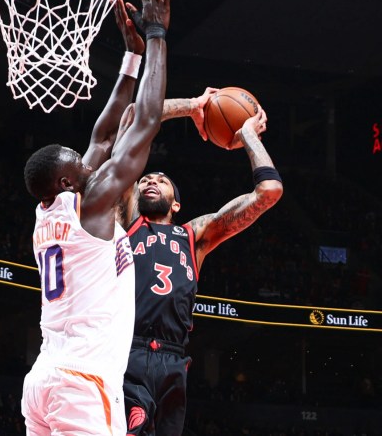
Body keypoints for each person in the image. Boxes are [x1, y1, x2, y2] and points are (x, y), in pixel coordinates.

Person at [20, 0, 172, 434]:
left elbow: (103, 137)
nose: (91, 165)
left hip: (45, 379)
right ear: (67, 183)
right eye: (81, 166)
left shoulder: (51, 211)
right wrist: (157, 33)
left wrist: (131, 58)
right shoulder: (92, 205)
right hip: (82, 382)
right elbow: (145, 122)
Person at [119, 102, 283, 435]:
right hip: (125, 351)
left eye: (161, 180)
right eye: (144, 179)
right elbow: (132, 118)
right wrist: (192, 106)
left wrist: (248, 136)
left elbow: (269, 191)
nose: (150, 181)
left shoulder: (194, 237)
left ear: (176, 203)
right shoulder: (125, 225)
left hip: (173, 360)